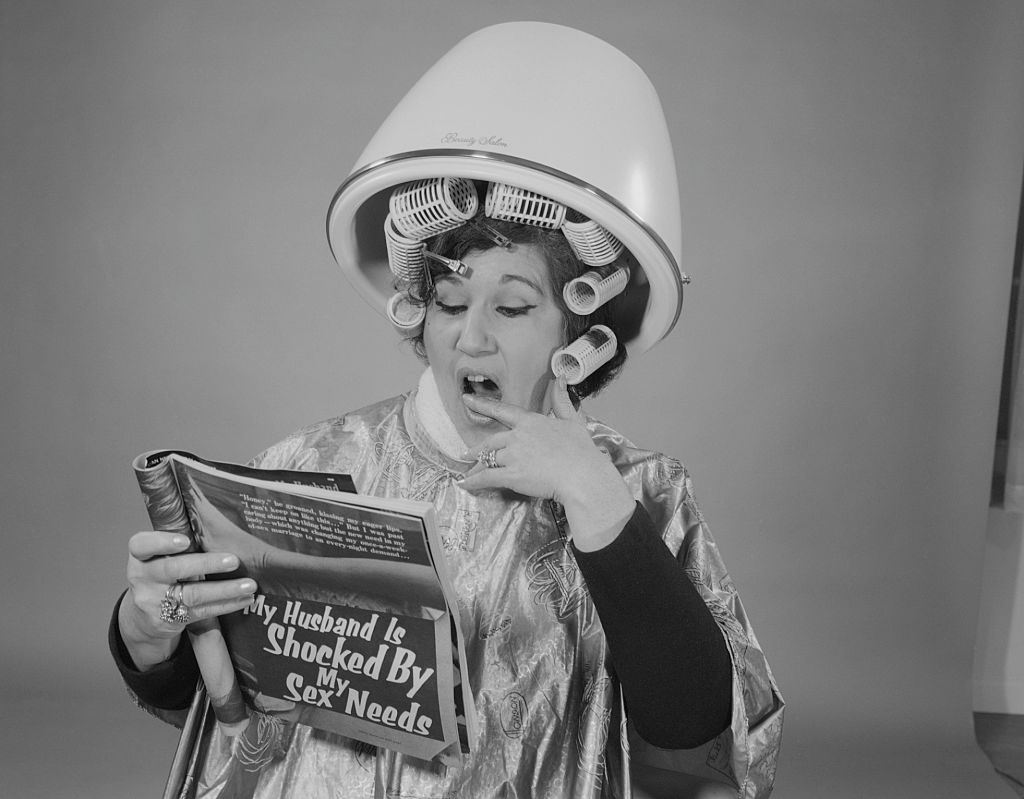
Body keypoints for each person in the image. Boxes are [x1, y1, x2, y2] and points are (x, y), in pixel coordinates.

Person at [110, 22, 784, 799]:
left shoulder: (640, 492)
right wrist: (147, 627)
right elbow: (226, 706)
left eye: (514, 306)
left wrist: (593, 498)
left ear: (576, 324)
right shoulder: (308, 466)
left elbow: (699, 731)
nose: (471, 338)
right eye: (450, 301)